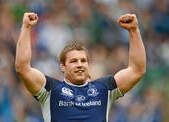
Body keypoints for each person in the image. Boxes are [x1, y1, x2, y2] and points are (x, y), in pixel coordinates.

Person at [15, 12, 146, 122]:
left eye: (83, 61)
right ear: (63, 66)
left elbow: (137, 70)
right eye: (73, 61)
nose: (79, 64)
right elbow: (22, 68)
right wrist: (26, 27)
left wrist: (134, 30)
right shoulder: (50, 90)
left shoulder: (105, 88)